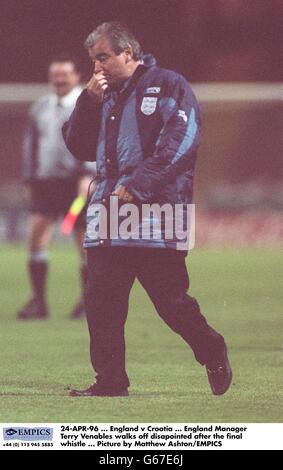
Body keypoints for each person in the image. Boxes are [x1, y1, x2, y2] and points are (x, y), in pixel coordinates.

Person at [63, 22, 232, 396]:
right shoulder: (102, 97)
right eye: (94, 61)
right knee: (102, 301)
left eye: (103, 58)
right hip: (110, 210)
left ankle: (212, 347)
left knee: (171, 303)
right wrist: (86, 102)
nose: (98, 68)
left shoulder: (169, 84)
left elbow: (182, 141)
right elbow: (78, 146)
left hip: (158, 211)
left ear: (129, 52)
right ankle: (110, 381)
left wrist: (139, 185)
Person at [17, 55, 96, 320]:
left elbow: (96, 140)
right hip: (46, 184)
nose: (59, 79)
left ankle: (88, 302)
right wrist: (29, 178)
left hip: (77, 183)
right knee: (37, 235)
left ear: (76, 77)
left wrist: (88, 175)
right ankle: (39, 302)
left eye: (64, 74)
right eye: (55, 75)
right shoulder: (41, 107)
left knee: (84, 242)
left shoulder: (85, 104)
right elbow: (32, 144)